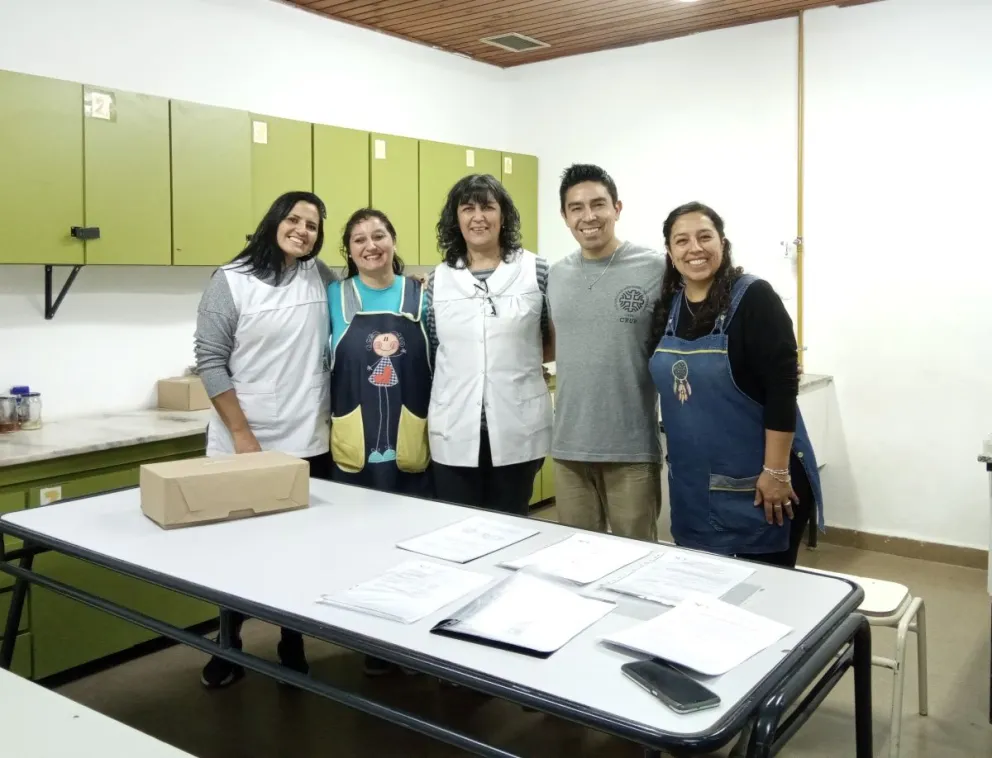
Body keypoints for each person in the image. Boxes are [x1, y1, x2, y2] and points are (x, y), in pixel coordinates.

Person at [193, 190, 335, 689]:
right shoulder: (231, 281)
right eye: (294, 219)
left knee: (296, 552)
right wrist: (241, 434)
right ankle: (227, 643)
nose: (302, 230)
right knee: (236, 554)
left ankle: (290, 643)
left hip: (307, 438)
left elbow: (366, 300)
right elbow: (209, 359)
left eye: (313, 225)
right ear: (274, 220)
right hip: (243, 441)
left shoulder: (321, 277)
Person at [648, 201, 823, 569]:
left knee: (761, 600)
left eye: (704, 237)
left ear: (723, 244)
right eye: (681, 241)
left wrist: (776, 472)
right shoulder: (669, 309)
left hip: (759, 487)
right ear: (669, 251)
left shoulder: (755, 298)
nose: (694, 248)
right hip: (693, 488)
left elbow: (781, 390)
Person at [546, 164, 663, 542]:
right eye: (576, 208)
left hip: (630, 448)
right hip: (569, 448)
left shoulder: (655, 268)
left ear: (617, 207)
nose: (589, 216)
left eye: (598, 204)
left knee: (638, 560)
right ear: (565, 216)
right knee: (577, 560)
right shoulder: (555, 275)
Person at [426, 173, 552, 516]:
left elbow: (550, 338)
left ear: (504, 215)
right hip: (455, 425)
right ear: (456, 218)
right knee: (456, 528)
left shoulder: (536, 269)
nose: (478, 217)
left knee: (512, 524)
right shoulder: (438, 279)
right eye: (467, 208)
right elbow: (437, 346)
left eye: (488, 207)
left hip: (517, 423)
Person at [327, 208, 432, 498]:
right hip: (353, 447)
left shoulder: (422, 294)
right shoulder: (333, 296)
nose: (370, 246)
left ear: (393, 241)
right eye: (359, 240)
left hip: (415, 446)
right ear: (349, 251)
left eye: (378, 236)